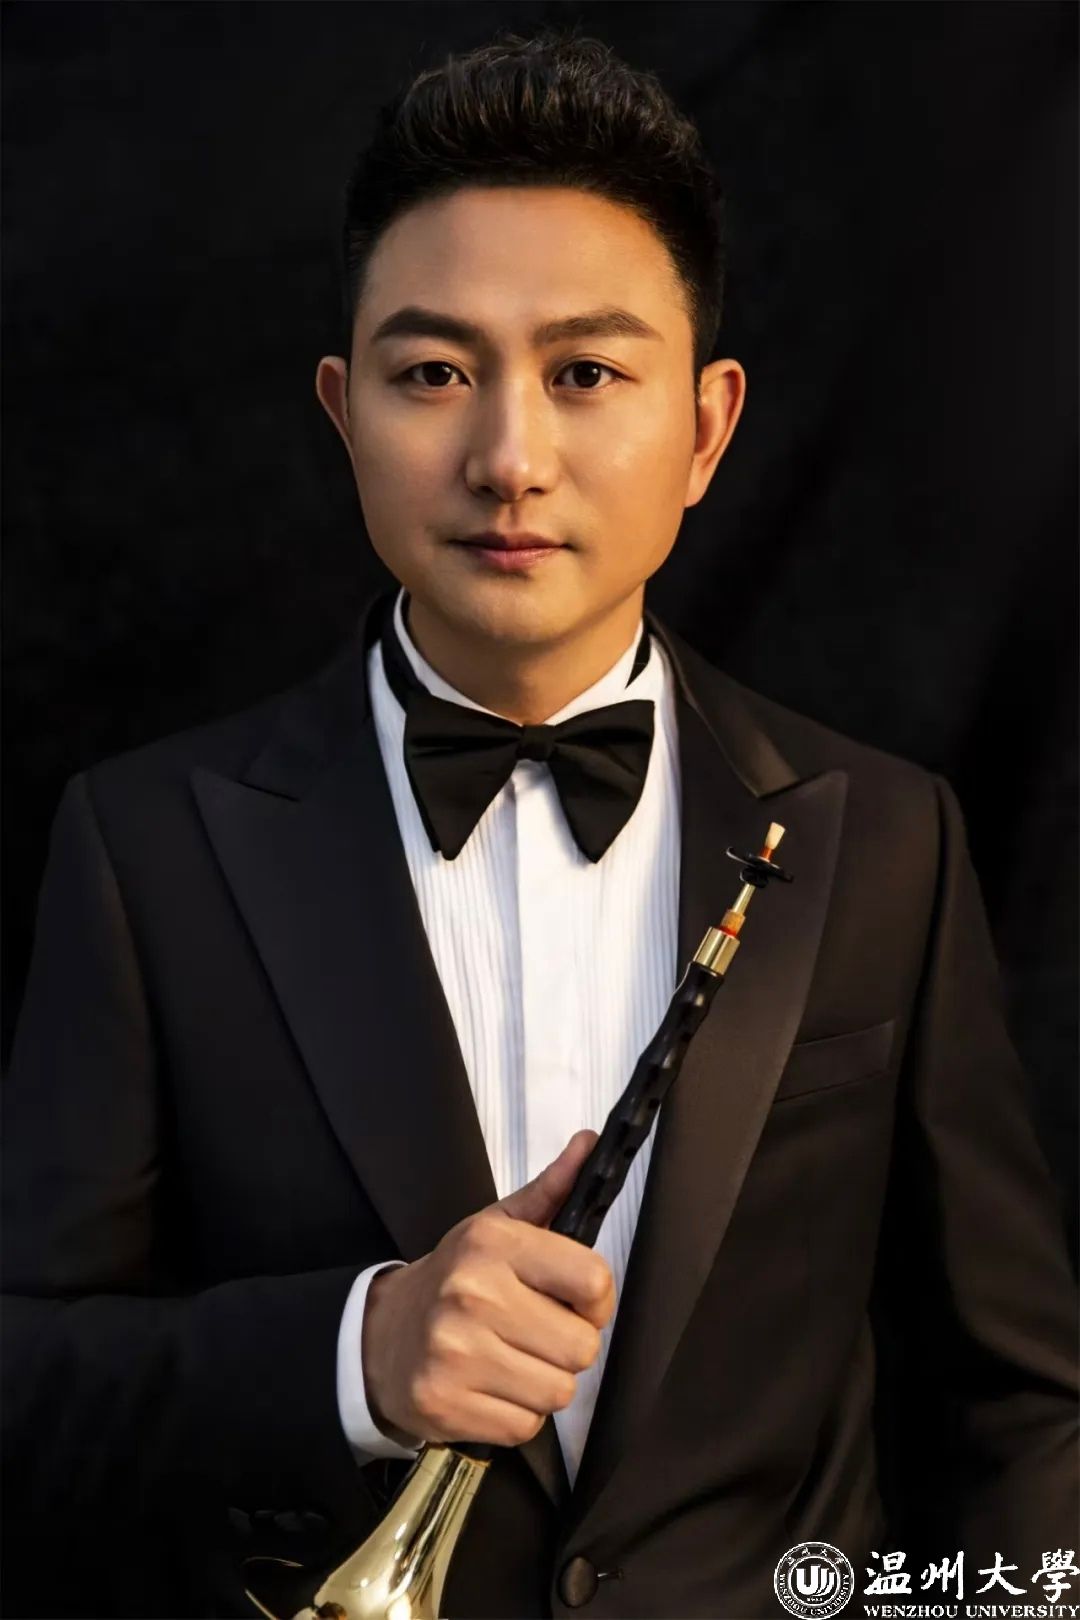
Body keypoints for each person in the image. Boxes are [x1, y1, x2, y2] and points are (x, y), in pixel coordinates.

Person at [3, 26, 1076, 1620]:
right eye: (434, 374)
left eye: (586, 374)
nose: (510, 460)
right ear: (343, 412)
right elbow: (23, 1387)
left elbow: (1018, 1406)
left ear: (705, 429)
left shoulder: (890, 841)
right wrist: (354, 1351)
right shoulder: (143, 846)